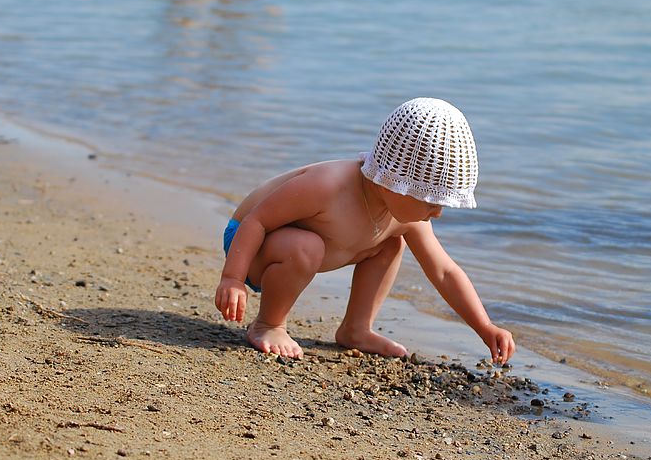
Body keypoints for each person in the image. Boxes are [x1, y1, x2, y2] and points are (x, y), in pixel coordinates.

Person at [215, 97, 516, 363]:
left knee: (390, 245)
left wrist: (485, 327)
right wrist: (233, 278)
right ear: (397, 183)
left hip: (299, 252)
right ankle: (268, 324)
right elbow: (257, 220)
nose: (437, 212)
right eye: (430, 201)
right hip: (249, 245)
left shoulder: (407, 215)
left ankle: (356, 328)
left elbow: (444, 272)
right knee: (306, 246)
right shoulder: (328, 186)